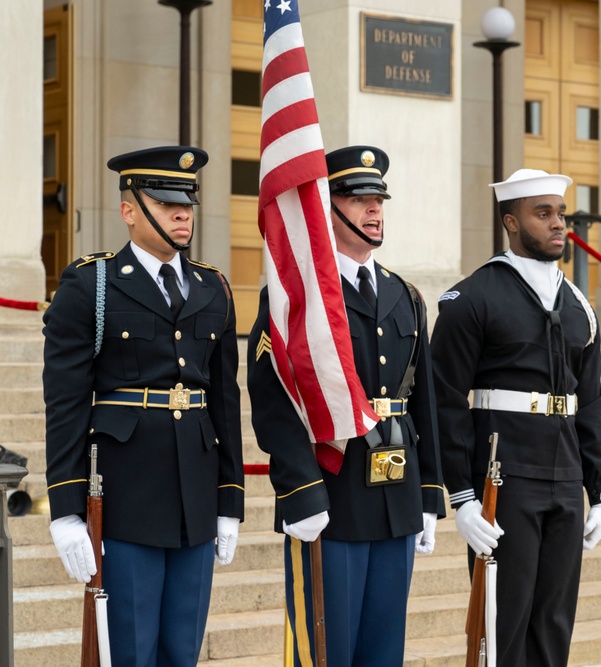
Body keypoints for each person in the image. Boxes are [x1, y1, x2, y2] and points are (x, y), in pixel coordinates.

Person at [42, 145, 244, 665]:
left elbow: (224, 401)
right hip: (126, 500)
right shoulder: (92, 285)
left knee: (183, 650)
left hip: (195, 501)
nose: (183, 212)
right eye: (166, 200)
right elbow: (65, 403)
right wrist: (66, 510)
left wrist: (230, 499)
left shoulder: (213, 287)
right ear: (129, 209)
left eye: (189, 202)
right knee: (128, 650)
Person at [246, 145, 446, 667]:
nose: (374, 209)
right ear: (324, 207)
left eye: (378, 198)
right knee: (325, 652)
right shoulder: (295, 296)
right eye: (359, 199)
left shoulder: (406, 295)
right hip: (329, 497)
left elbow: (422, 398)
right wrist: (300, 491)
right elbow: (273, 403)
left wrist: (428, 495)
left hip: (395, 495)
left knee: (384, 652)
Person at [432, 168, 601, 667]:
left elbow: (590, 403)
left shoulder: (579, 304)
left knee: (554, 626)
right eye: (543, 214)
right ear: (511, 222)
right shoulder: (471, 298)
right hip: (504, 481)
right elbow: (445, 402)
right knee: (501, 627)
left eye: (560, 214)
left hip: (565, 477)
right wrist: (463, 498)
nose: (558, 224)